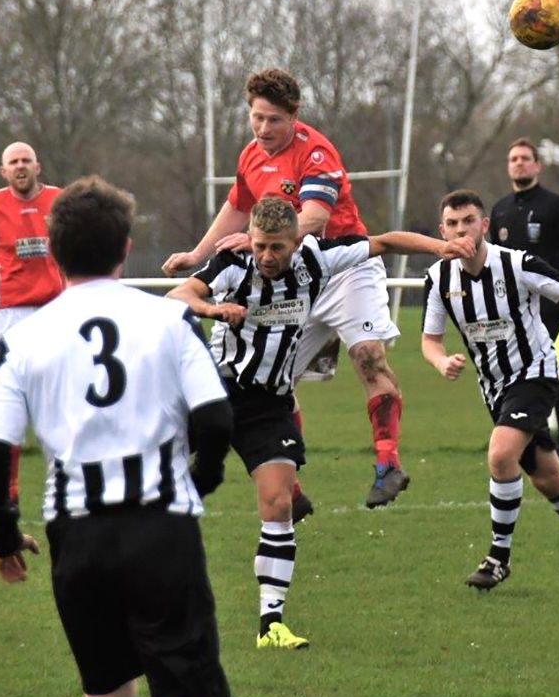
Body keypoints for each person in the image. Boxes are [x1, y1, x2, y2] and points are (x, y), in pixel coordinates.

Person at [0, 176, 233, 697]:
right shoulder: (169, 319)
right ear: (125, 248)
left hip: (78, 534)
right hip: (161, 525)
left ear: (55, 253)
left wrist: (2, 536)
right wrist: (200, 480)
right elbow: (215, 416)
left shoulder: (23, 340)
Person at [167, 196, 474, 647]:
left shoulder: (319, 259)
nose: (267, 257)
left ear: (298, 242)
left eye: (277, 248)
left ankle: (270, 625)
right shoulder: (233, 263)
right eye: (260, 246)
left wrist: (438, 247)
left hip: (268, 405)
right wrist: (215, 309)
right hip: (217, 390)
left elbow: (384, 241)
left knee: (278, 505)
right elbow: (181, 294)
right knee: (163, 486)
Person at [163, 68, 408, 512]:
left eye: (273, 119)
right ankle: (291, 494)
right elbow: (238, 206)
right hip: (290, 278)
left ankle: (387, 463)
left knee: (368, 355)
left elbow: (313, 217)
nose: (262, 128)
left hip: (342, 266)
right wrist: (198, 253)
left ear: (294, 115)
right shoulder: (251, 155)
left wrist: (265, 233)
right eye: (256, 118)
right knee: (268, 380)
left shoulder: (316, 153)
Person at [421, 189, 559, 592]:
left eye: (468, 221)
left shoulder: (516, 264)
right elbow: (430, 340)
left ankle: (498, 557)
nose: (461, 229)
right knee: (548, 478)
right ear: (442, 230)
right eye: (452, 223)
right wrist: (441, 361)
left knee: (500, 455)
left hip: (535, 373)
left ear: (484, 225)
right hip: (494, 388)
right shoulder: (438, 278)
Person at [0, 141, 64, 502]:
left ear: (38, 167)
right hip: (11, 313)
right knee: (11, 399)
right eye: (13, 162)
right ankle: (9, 487)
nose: (20, 166)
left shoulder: (61, 201)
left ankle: (63, 478)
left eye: (26, 160)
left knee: (60, 396)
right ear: (3, 171)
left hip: (57, 309)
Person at [490, 138, 559, 460]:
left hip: (549, 302)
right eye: (513, 158)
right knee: (515, 369)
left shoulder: (554, 206)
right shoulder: (500, 209)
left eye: (525, 158)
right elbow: (492, 259)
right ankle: (529, 435)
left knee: (558, 368)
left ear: (538, 165)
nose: (519, 163)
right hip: (512, 306)